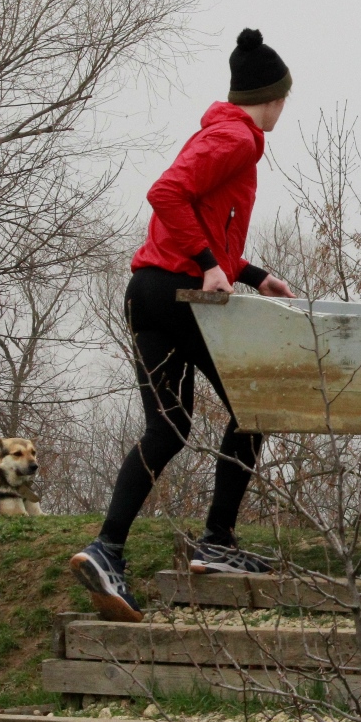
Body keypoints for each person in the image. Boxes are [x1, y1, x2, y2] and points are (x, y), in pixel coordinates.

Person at [70, 30, 297, 622]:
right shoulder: (237, 138)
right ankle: (217, 540)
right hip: (178, 296)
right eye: (285, 100)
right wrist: (208, 267)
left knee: (168, 429)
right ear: (273, 98)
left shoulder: (222, 132)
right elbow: (166, 193)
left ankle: (107, 549)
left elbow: (198, 221)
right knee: (255, 407)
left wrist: (252, 274)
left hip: (149, 294)